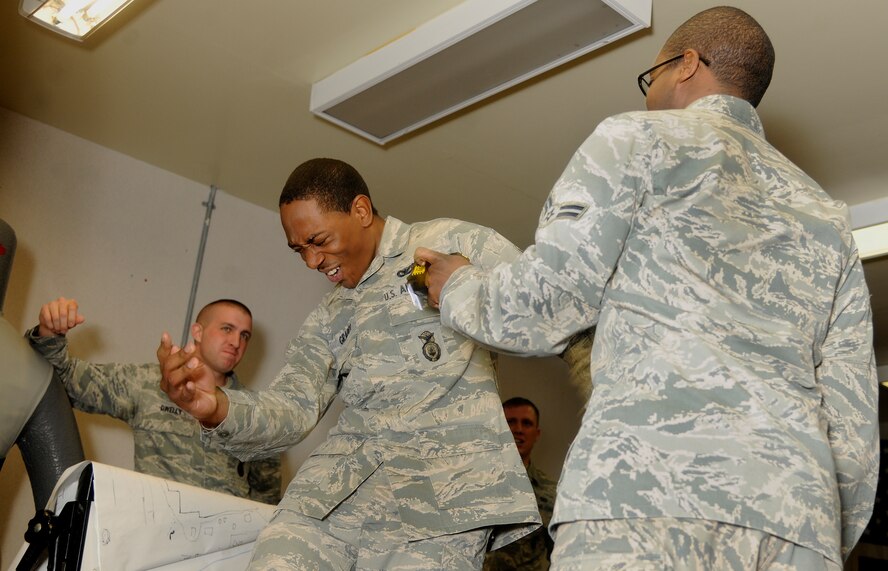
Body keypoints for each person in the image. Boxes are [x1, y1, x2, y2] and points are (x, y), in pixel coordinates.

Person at [415, 6, 879, 570]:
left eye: (650, 76)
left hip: (640, 499)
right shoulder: (826, 216)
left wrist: (457, 284)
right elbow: (853, 424)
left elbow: (546, 305)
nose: (647, 94)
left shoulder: (635, 138)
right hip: (792, 518)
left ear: (685, 64)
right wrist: (821, 532)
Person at [157, 158, 539, 570]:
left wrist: (467, 285)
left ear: (359, 211)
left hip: (443, 503)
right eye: (299, 249)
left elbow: (546, 305)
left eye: (318, 241)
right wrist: (215, 407)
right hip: (332, 497)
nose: (311, 261)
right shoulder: (330, 314)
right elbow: (292, 406)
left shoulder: (447, 242)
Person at [28, 297, 282, 505]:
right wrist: (50, 334)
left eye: (245, 335)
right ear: (198, 331)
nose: (236, 342)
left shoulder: (254, 412)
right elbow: (67, 382)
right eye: (227, 329)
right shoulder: (147, 383)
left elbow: (266, 502)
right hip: (156, 542)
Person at [484, 397, 556, 571]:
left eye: (527, 423)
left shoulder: (550, 492)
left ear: (537, 434)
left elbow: (560, 555)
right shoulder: (469, 485)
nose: (518, 430)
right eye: (510, 422)